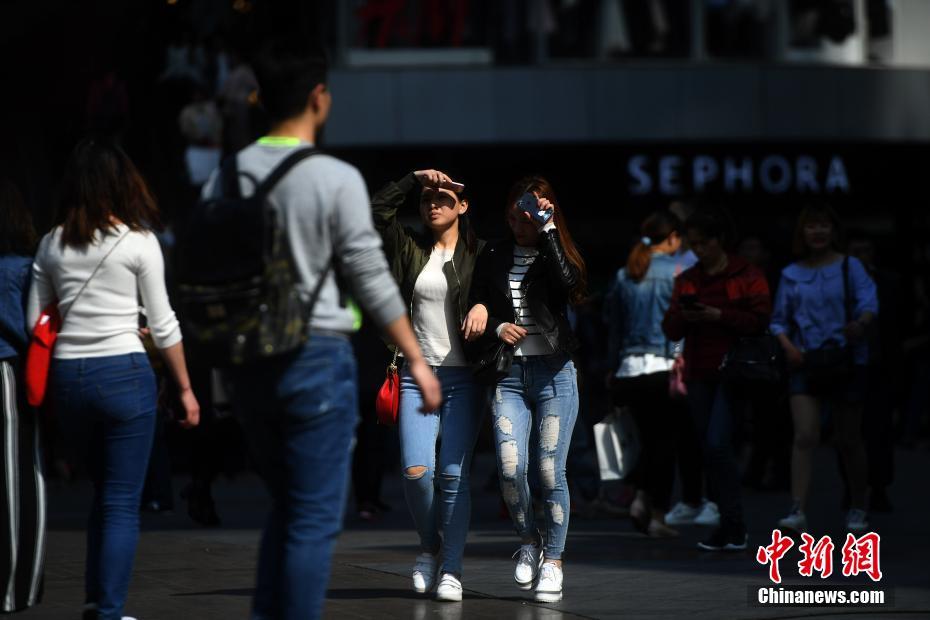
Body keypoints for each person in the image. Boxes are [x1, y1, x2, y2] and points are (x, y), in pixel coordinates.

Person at [201, 39, 441, 620]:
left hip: (248, 361)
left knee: (286, 505)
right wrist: (414, 357)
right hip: (315, 355)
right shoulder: (332, 177)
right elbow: (369, 275)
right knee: (313, 515)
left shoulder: (226, 176)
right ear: (318, 98)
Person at [27, 139, 201, 620]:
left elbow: (34, 321)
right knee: (123, 500)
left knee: (103, 492)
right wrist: (186, 389)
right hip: (125, 372)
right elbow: (164, 325)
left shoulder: (51, 243)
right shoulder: (139, 242)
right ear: (125, 184)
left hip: (68, 378)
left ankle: (94, 599)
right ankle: (107, 610)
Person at [370, 168, 487, 602]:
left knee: (454, 475)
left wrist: (483, 306)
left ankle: (451, 569)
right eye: (427, 199)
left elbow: (498, 296)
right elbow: (375, 214)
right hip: (415, 374)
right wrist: (410, 180)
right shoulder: (410, 247)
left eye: (443, 198)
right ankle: (429, 547)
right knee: (416, 472)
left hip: (463, 378)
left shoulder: (481, 253)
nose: (433, 204)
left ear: (463, 205)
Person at [469, 175, 587, 603]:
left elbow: (569, 287)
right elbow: (477, 302)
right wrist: (498, 325)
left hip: (555, 373)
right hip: (510, 374)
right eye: (516, 216)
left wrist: (549, 230)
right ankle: (528, 541)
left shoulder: (558, 251)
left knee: (550, 469)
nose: (521, 224)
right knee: (509, 466)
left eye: (530, 216)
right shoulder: (493, 253)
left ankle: (554, 560)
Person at [662, 210, 771, 551]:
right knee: (711, 448)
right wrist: (686, 314)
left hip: (735, 371)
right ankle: (730, 525)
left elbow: (760, 320)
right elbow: (671, 328)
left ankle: (733, 525)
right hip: (699, 372)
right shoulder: (689, 278)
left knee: (717, 444)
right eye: (693, 244)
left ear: (719, 240)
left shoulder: (746, 273)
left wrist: (718, 315)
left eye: (703, 243)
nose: (698, 250)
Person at [771, 206, 878, 533]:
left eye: (823, 226)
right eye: (811, 226)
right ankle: (797, 508)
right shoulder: (791, 273)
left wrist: (861, 324)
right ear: (802, 233)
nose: (817, 232)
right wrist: (788, 347)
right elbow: (778, 320)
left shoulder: (850, 266)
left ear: (833, 231)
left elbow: (869, 303)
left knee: (848, 439)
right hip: (805, 359)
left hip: (845, 358)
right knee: (805, 434)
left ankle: (858, 504)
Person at [604, 210, 685, 538]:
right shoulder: (678, 270)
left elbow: (614, 327)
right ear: (673, 238)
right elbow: (681, 322)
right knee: (664, 444)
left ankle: (639, 496)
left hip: (629, 369)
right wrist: (680, 356)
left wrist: (611, 367)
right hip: (663, 368)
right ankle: (656, 514)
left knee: (647, 441)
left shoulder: (626, 273)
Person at [0, 179, 46, 613]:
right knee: (20, 478)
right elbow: (28, 328)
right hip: (8, 372)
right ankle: (17, 585)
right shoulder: (20, 268)